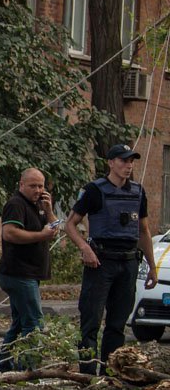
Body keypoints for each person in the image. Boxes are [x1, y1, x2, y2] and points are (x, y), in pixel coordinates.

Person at [64, 144, 159, 375]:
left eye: (131, 161)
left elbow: (144, 231)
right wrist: (85, 248)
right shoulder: (95, 190)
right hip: (100, 262)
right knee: (91, 322)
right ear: (110, 162)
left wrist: (152, 267)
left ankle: (111, 375)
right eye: (123, 161)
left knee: (117, 324)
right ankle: (87, 376)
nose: (128, 166)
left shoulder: (138, 191)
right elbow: (70, 224)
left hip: (128, 262)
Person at [0, 168, 58, 372]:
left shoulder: (39, 205)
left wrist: (48, 211)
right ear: (21, 185)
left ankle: (3, 366)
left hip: (30, 273)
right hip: (18, 273)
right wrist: (41, 235)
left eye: (41, 186)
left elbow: (55, 229)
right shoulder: (15, 205)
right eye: (33, 186)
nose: (38, 190)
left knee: (20, 322)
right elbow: (9, 233)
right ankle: (28, 370)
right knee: (34, 324)